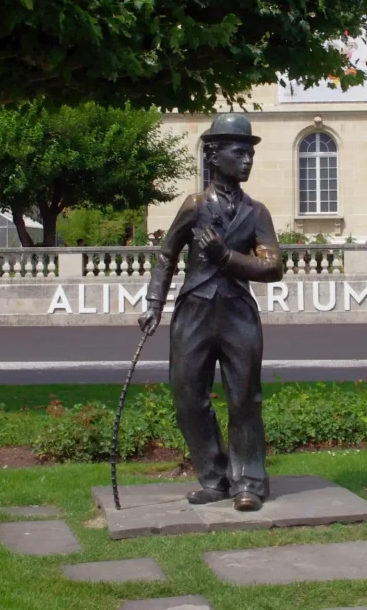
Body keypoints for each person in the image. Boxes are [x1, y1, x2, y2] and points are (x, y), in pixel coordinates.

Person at [138, 113, 282, 512]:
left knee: (244, 399)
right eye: (239, 152)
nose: (247, 160)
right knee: (187, 397)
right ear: (215, 156)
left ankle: (249, 482)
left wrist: (226, 256)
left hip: (237, 313)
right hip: (195, 311)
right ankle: (214, 477)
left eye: (250, 152)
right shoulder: (195, 206)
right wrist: (153, 304)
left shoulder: (257, 213)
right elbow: (167, 255)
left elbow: (273, 267)